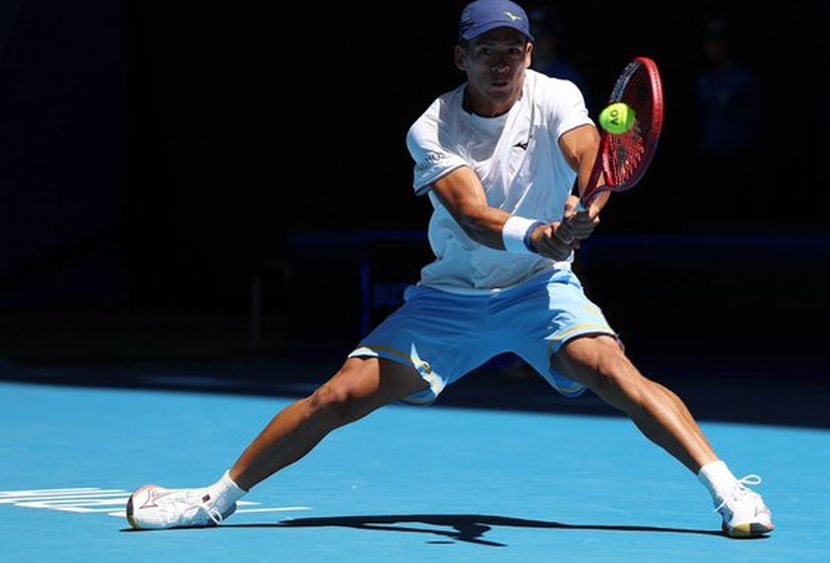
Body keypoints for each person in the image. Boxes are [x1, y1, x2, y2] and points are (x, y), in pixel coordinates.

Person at [126, 0, 774, 538]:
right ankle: (211, 499)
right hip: (452, 300)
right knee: (337, 396)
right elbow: (469, 213)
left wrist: (584, 201)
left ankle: (729, 494)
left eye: (514, 48)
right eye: (486, 49)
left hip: (540, 290)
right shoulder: (431, 127)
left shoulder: (556, 95)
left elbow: (587, 151)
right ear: (459, 57)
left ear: (530, 54)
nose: (502, 61)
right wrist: (541, 231)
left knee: (614, 371)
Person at [691, 18, 767, 231]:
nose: (712, 48)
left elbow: (755, 119)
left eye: (718, 42)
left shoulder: (744, 79)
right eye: (709, 42)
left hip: (738, 156)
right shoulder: (703, 81)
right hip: (709, 155)